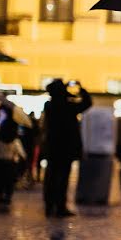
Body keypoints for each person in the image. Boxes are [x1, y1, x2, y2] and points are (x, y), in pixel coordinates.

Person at [41, 78, 92, 216]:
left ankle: (49, 206)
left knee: (50, 177)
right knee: (62, 179)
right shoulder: (68, 106)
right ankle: (60, 207)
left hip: (52, 149)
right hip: (65, 149)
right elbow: (87, 103)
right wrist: (80, 88)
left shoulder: (49, 106)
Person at [0, 108, 25, 205]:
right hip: (10, 163)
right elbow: (22, 154)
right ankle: (7, 197)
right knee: (8, 182)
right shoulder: (15, 141)